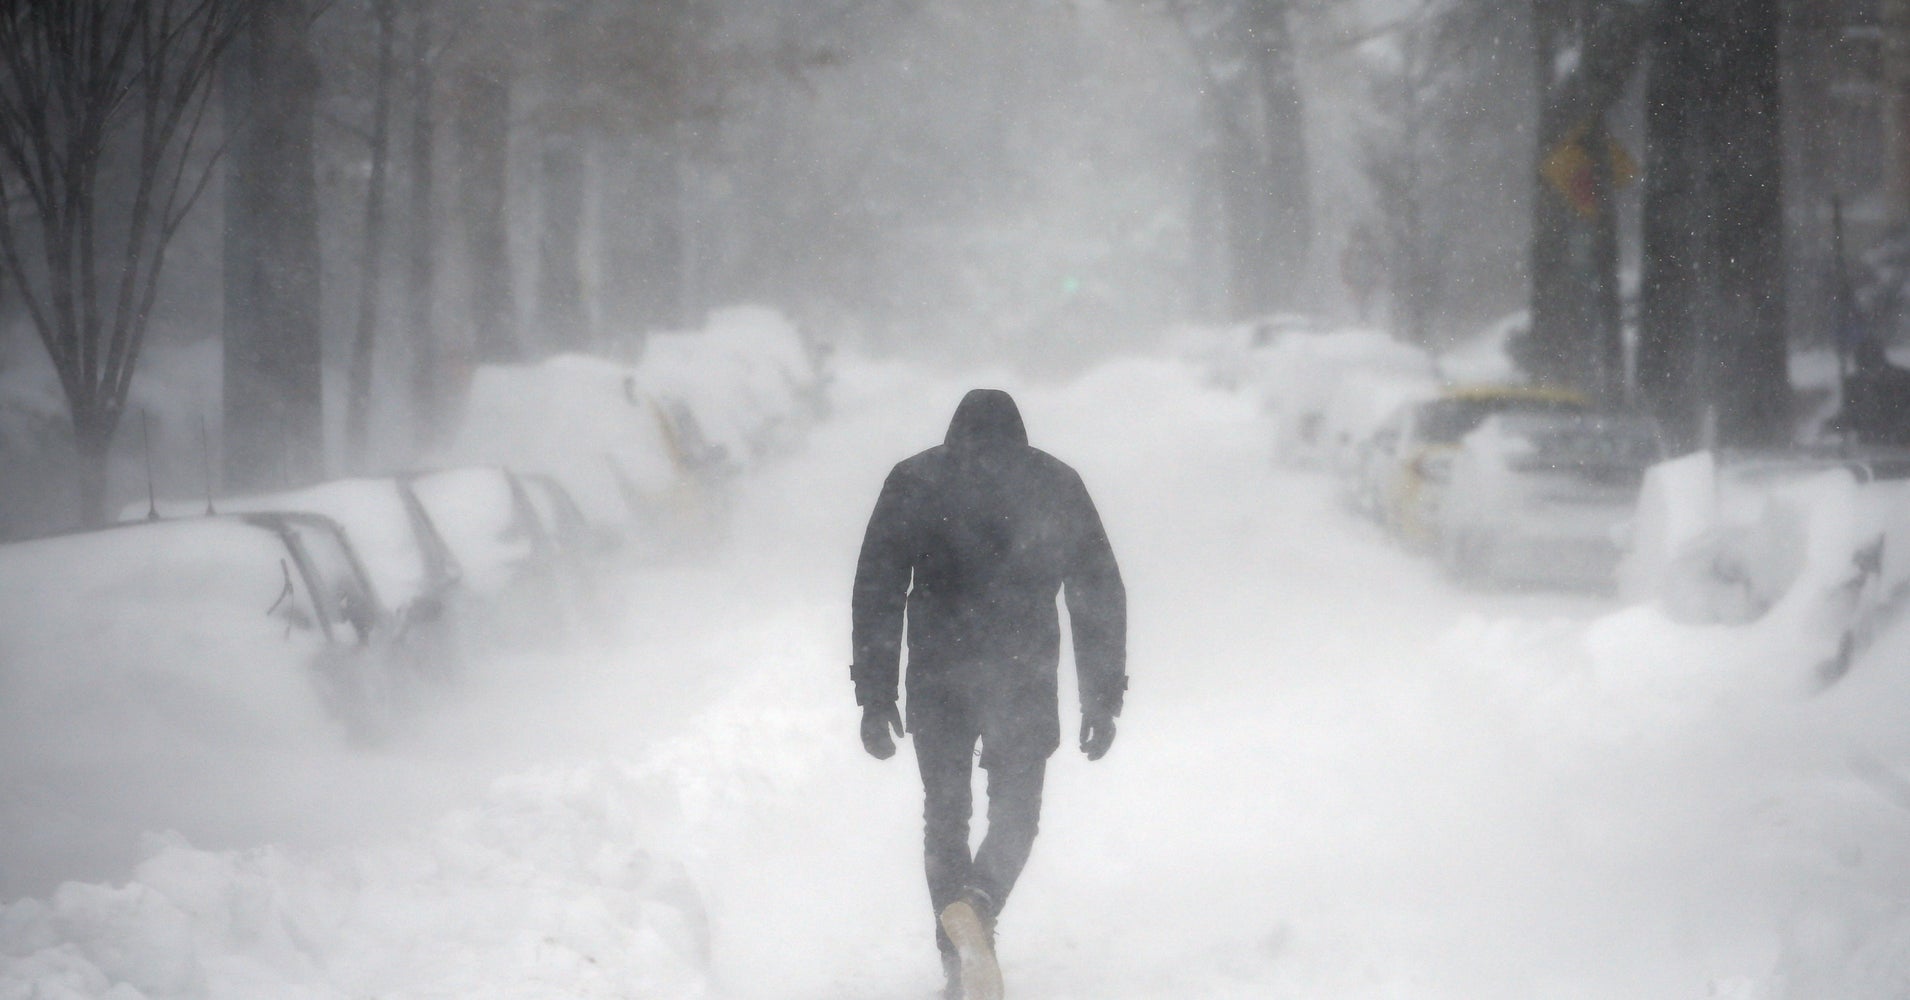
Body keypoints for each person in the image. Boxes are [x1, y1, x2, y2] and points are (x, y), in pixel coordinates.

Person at [851, 388, 1128, 1000]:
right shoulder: (1055, 483)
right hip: (1023, 670)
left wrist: (874, 695)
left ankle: (958, 958)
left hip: (937, 673)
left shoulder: (915, 481)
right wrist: (1102, 697)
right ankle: (980, 902)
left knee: (945, 817)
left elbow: (878, 588)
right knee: (1017, 817)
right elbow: (1096, 591)